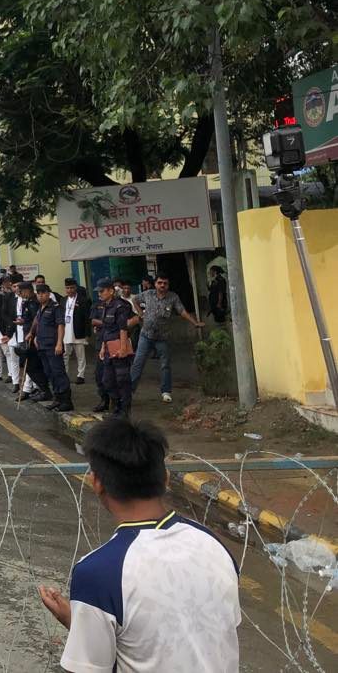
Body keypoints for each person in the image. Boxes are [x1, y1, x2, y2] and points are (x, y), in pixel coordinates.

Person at [38, 419, 239, 672]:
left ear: (97, 482)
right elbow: (199, 637)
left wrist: (80, 625)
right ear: (165, 478)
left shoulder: (99, 572)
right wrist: (80, 624)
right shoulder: (212, 544)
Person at [130, 275, 205, 404]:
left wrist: (195, 322)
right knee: (138, 363)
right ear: (155, 284)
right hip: (146, 335)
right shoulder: (148, 294)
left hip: (162, 337)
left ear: (168, 285)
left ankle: (166, 392)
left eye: (165, 283)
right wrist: (140, 313)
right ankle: (129, 391)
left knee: (165, 365)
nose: (162, 285)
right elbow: (134, 299)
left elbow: (182, 311)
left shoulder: (173, 297)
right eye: (160, 283)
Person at [93, 279, 134, 417]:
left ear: (111, 291)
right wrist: (103, 347)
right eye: (98, 291)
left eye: (102, 291)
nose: (99, 294)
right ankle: (116, 407)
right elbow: (106, 329)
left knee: (122, 380)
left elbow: (123, 328)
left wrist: (123, 348)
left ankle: (124, 411)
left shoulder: (120, 306)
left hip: (118, 346)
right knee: (107, 380)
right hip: (108, 347)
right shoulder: (105, 306)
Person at [29, 284, 73, 412]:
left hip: (53, 346)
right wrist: (33, 335)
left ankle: (66, 401)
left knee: (58, 373)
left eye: (43, 293)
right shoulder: (40, 308)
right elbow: (38, 323)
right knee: (49, 373)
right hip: (42, 345)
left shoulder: (56, 307)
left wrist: (59, 343)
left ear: (48, 294)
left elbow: (60, 326)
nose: (41, 295)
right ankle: (57, 398)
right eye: (39, 293)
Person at [61, 279, 91, 384]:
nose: (69, 290)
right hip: (65, 331)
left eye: (72, 288)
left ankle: (80, 375)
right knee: (64, 355)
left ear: (76, 288)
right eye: (67, 288)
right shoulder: (63, 300)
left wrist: (87, 333)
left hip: (78, 331)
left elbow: (87, 318)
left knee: (80, 355)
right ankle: (64, 375)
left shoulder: (83, 300)